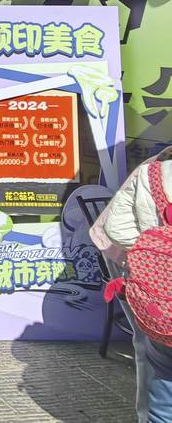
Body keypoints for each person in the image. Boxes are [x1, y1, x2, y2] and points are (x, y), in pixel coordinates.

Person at [106, 149, 172, 423]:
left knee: (163, 383)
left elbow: (114, 228)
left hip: (163, 304)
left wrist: (155, 249)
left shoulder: (150, 173)